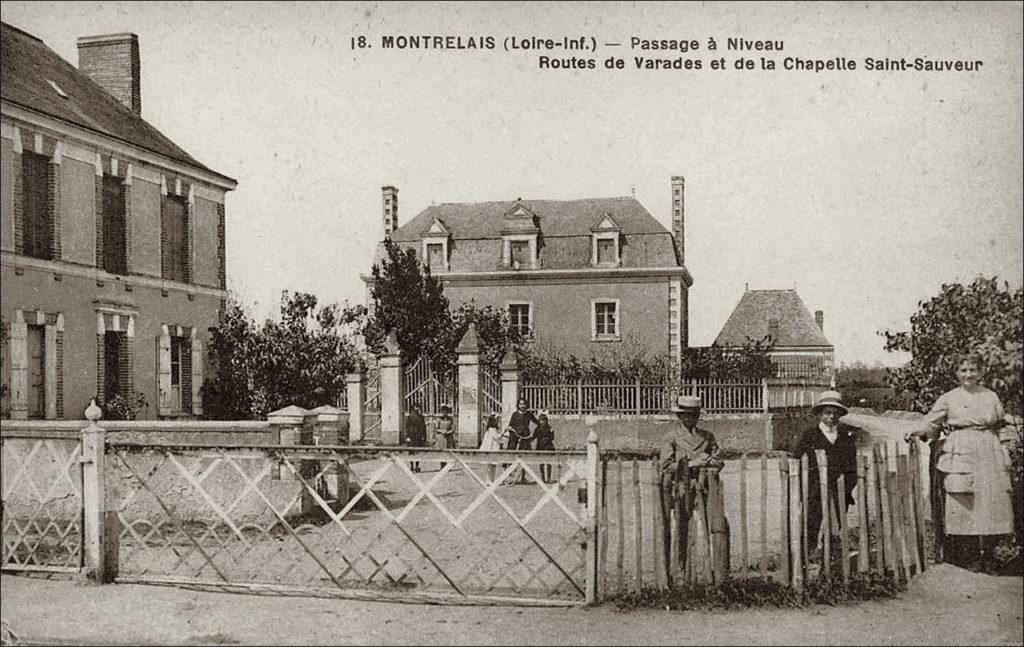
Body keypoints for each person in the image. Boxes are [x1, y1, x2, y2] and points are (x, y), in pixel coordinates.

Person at [906, 353, 1014, 572]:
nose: (968, 375)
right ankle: (970, 556)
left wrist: (1005, 450)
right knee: (963, 500)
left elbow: (1002, 425)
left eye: (972, 370)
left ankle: (992, 557)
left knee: (991, 502)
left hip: (988, 449)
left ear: (981, 372)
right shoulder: (949, 398)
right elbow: (931, 423)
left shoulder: (991, 396)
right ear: (956, 374)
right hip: (961, 448)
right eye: (963, 370)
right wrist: (918, 431)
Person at [658, 394, 725, 569]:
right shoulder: (671, 437)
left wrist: (708, 461)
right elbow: (665, 466)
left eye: (693, 415)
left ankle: (706, 567)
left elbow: (719, 461)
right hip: (680, 491)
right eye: (685, 414)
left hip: (704, 489)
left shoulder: (707, 436)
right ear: (679, 416)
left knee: (710, 526)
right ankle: (680, 567)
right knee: (680, 528)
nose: (689, 418)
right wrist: (690, 464)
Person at [793, 390, 858, 558]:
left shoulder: (845, 437)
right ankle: (806, 556)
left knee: (835, 527)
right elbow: (797, 461)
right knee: (811, 524)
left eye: (836, 414)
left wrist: (846, 488)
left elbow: (852, 467)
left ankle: (829, 558)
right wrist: (804, 488)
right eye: (828, 412)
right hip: (814, 490)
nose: (832, 417)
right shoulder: (810, 436)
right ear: (820, 414)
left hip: (839, 491)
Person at [479, 414, 507, 484]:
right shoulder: (491, 429)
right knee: (490, 465)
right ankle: (488, 480)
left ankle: (491, 480)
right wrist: (503, 432)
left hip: (493, 448)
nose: (498, 422)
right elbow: (496, 437)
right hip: (490, 449)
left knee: (493, 465)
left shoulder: (492, 429)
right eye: (496, 420)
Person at [533, 412, 556, 483]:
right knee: (541, 463)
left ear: (546, 421)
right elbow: (534, 436)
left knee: (548, 463)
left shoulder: (549, 428)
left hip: (548, 446)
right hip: (540, 446)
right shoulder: (537, 428)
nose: (543, 422)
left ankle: (549, 478)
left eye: (544, 420)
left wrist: (551, 434)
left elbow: (552, 438)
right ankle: (543, 478)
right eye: (541, 420)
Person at [404, 403, 427, 473]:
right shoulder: (409, 417)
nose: (417, 408)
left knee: (417, 452)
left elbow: (423, 427)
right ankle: (411, 466)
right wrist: (407, 436)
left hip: (418, 437)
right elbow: (407, 428)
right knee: (411, 452)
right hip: (411, 436)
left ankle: (417, 466)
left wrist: (424, 436)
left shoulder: (421, 417)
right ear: (413, 407)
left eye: (418, 407)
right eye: (416, 407)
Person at [435, 404, 455, 471]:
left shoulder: (450, 420)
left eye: (445, 411)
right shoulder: (439, 419)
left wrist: (448, 432)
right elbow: (436, 429)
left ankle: (447, 466)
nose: (444, 413)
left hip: (448, 437)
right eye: (443, 411)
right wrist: (441, 431)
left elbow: (453, 429)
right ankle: (442, 465)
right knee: (441, 451)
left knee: (448, 452)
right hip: (441, 437)